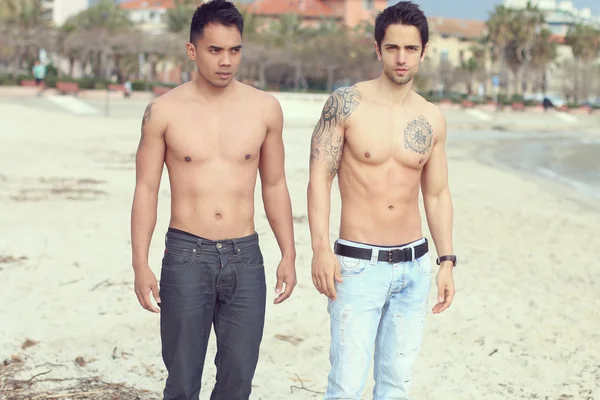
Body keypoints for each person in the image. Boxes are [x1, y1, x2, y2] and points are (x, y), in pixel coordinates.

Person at [129, 1, 297, 399]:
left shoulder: (264, 109)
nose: (226, 61)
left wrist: (288, 253)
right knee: (183, 380)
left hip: (245, 256)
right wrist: (140, 263)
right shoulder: (163, 112)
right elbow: (146, 189)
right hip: (187, 255)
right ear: (192, 50)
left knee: (238, 379)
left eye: (234, 50)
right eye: (215, 50)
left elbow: (274, 184)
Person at [307, 2, 457, 399]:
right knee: (346, 384)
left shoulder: (432, 118)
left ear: (424, 51)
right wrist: (320, 248)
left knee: (396, 384)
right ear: (377, 49)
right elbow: (319, 179)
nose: (401, 57)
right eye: (392, 48)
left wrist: (446, 260)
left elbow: (437, 193)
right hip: (357, 266)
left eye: (410, 49)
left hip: (414, 267)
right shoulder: (345, 105)